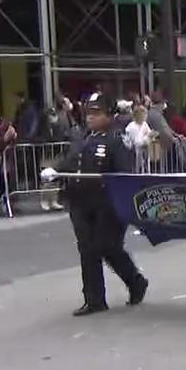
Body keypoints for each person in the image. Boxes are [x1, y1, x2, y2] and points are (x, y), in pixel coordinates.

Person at [40, 93, 148, 316]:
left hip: (106, 202)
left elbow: (123, 174)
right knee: (87, 248)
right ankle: (94, 299)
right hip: (79, 199)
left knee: (106, 246)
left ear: (109, 115)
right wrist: (56, 170)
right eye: (89, 112)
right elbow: (72, 160)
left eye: (97, 113)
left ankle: (135, 281)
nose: (91, 117)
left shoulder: (117, 139)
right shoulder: (82, 136)